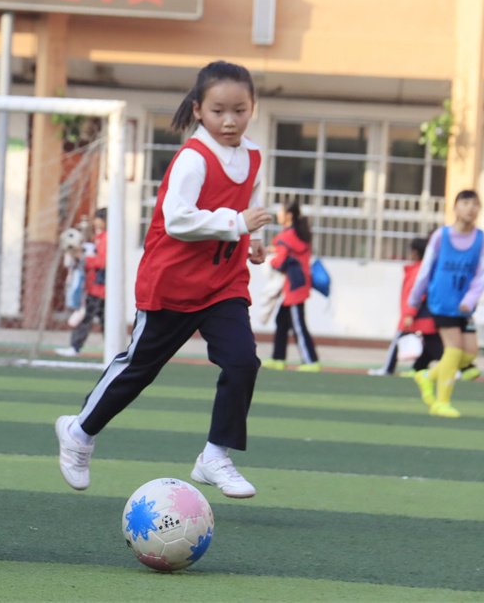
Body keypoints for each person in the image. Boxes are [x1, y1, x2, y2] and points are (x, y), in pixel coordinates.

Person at [55, 61, 272, 499]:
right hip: (172, 283)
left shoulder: (253, 155)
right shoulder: (193, 158)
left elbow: (251, 204)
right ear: (198, 110)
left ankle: (215, 455)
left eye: (240, 110)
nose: (229, 120)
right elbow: (177, 220)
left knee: (242, 361)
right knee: (140, 368)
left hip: (223, 283)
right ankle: (78, 432)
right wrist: (236, 223)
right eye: (218, 111)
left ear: (253, 108)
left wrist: (253, 236)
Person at [407, 189, 484, 418]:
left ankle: (427, 376)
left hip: (465, 306)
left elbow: (481, 275)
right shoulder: (441, 237)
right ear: (455, 208)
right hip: (442, 302)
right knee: (453, 350)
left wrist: (470, 299)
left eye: (475, 204)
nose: (470, 208)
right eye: (465, 203)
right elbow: (426, 270)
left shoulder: (480, 239)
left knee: (470, 354)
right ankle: (441, 402)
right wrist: (413, 302)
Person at [368, 238, 443, 377]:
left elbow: (416, 294)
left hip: (417, 316)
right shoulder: (421, 269)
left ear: (415, 253)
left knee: (403, 343)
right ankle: (446, 369)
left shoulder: (419, 270)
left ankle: (388, 369)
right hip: (421, 316)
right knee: (434, 346)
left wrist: (409, 313)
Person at [264, 200, 320, 372]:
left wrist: (270, 260)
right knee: (282, 320)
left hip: (294, 286)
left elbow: (279, 262)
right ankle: (278, 358)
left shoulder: (286, 237)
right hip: (299, 283)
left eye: (280, 211)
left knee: (298, 325)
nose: (278, 214)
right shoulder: (297, 233)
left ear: (289, 216)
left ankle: (311, 361)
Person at [57, 209, 107, 357]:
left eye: (97, 218)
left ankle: (75, 347)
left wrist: (82, 257)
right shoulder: (98, 238)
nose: (95, 222)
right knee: (101, 319)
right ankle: (113, 349)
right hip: (94, 286)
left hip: (98, 288)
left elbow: (102, 261)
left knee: (87, 317)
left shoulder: (106, 239)